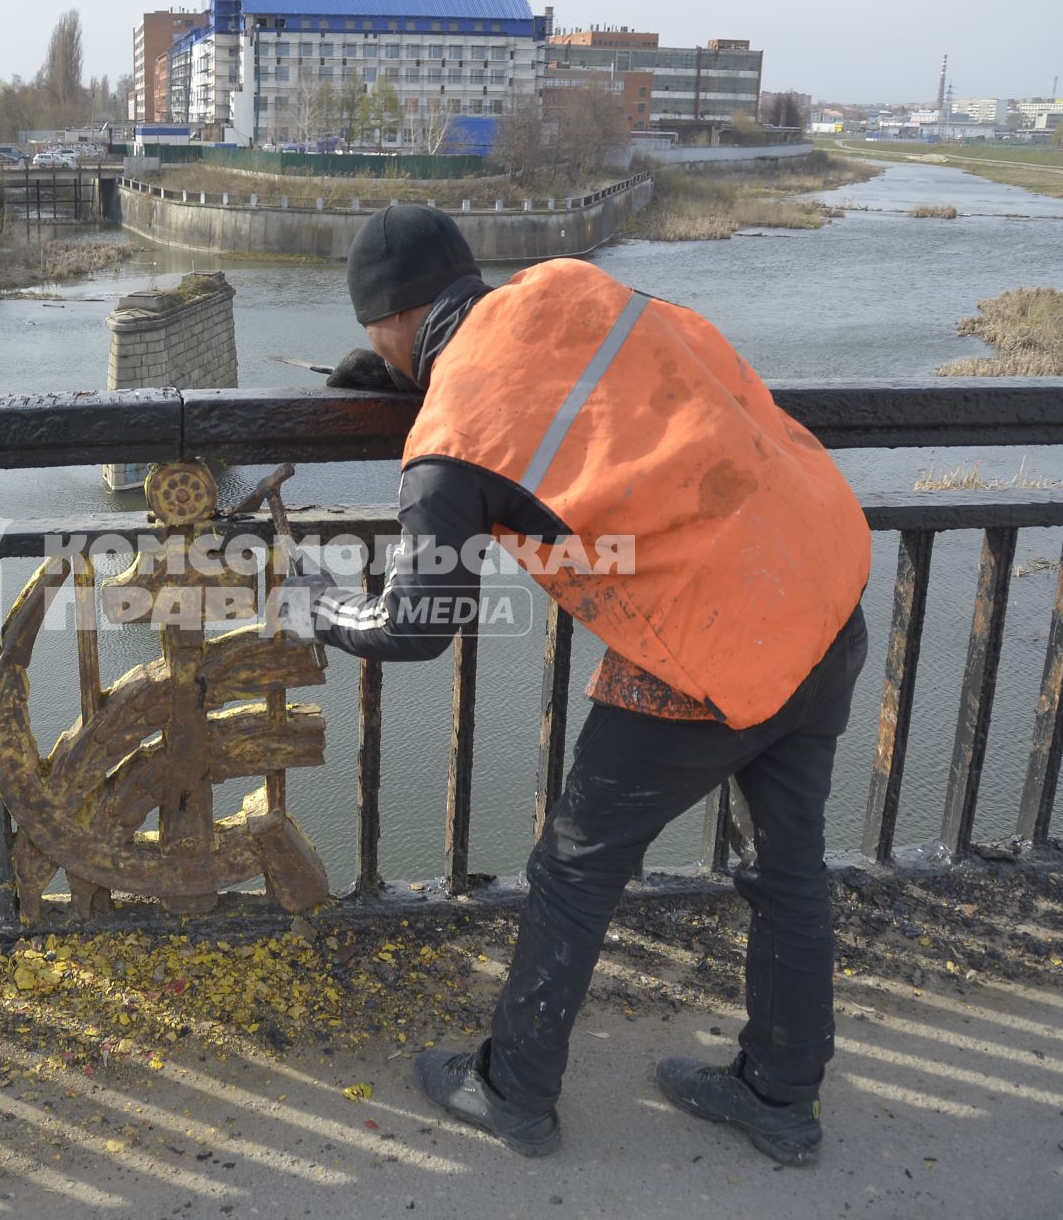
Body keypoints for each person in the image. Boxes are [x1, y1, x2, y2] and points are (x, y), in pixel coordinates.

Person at [296, 204, 872, 1166]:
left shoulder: (451, 430)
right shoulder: (570, 283)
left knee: (575, 864)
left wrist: (318, 605)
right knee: (789, 863)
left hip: (713, 634)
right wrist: (419, 385)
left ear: (386, 323)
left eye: (376, 341)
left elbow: (418, 622)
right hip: (818, 576)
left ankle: (513, 1089)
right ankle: (779, 1097)